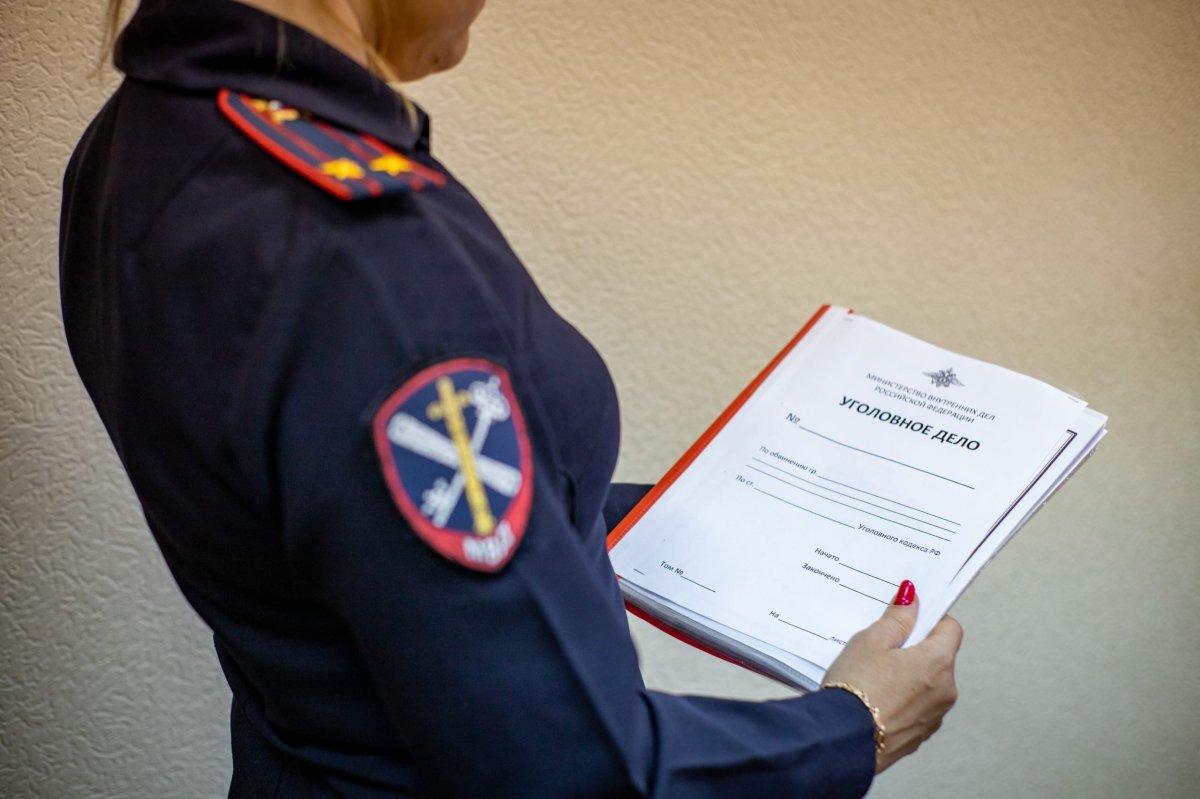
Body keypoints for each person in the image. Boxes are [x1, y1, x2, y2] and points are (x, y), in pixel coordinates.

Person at [59, 1, 963, 796]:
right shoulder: (367, 262)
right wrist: (855, 726)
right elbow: (570, 768)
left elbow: (339, 527)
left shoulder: (142, 142)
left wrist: (688, 515)